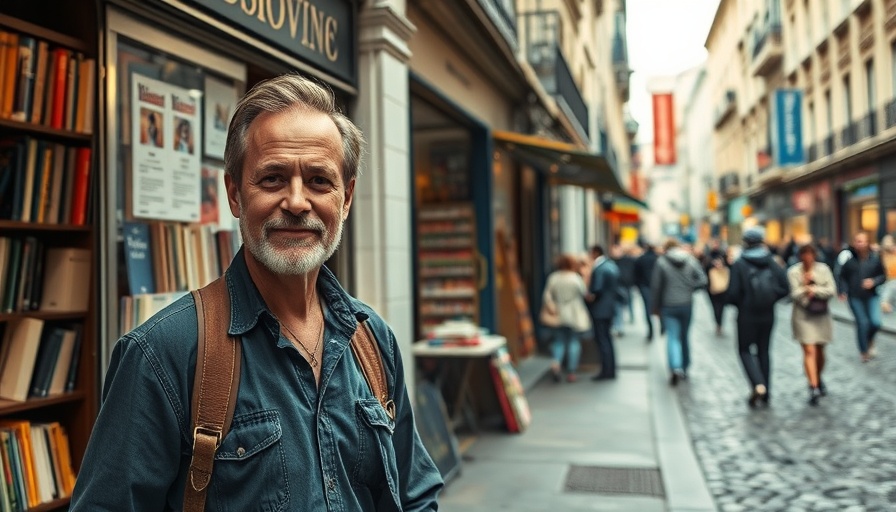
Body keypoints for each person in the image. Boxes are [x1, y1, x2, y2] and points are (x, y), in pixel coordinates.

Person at [70, 74, 443, 510]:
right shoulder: (164, 353)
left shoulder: (372, 340)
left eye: (320, 181)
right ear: (234, 194)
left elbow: (416, 495)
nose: (298, 202)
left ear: (346, 198)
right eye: (272, 179)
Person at [726, 226, 789, 408]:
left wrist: (742, 302)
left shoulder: (739, 263)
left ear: (745, 242)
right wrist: (770, 299)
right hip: (767, 314)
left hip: (746, 314)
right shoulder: (771, 261)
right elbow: (785, 288)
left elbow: (732, 293)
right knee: (764, 351)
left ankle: (758, 384)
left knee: (745, 350)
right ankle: (767, 390)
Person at [650, 239, 707, 386]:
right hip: (686, 304)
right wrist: (689, 288)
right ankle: (685, 366)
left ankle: (675, 367)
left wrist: (654, 307)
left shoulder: (661, 262)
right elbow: (702, 280)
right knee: (684, 336)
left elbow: (656, 287)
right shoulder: (691, 260)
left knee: (673, 337)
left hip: (668, 305)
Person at [787, 244, 836, 406]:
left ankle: (818, 377)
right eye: (804, 254)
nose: (807, 257)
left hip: (821, 315)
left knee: (820, 350)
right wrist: (805, 289)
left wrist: (814, 289)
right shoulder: (794, 272)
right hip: (803, 315)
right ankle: (813, 387)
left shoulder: (823, 269)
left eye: (810, 254)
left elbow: (831, 290)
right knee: (809, 350)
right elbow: (794, 294)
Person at [540, 254, 592, 382]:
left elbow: (547, 295)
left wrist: (552, 306)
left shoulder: (554, 278)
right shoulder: (575, 278)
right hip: (574, 314)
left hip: (558, 313)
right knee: (573, 341)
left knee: (559, 341)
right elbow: (585, 293)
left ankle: (556, 364)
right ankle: (571, 371)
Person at [837, 231, 887, 362]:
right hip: (855, 296)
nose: (860, 244)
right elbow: (842, 277)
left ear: (867, 242)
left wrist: (874, 282)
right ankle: (863, 351)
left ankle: (869, 339)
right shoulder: (849, 261)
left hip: (872, 295)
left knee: (875, 322)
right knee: (862, 322)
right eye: (857, 241)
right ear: (854, 243)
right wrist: (842, 291)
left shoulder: (875, 258)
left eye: (862, 241)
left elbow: (883, 276)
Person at [587, 245, 620, 381]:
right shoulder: (611, 265)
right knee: (607, 339)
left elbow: (597, 289)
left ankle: (606, 371)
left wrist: (589, 296)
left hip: (600, 309)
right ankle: (610, 369)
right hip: (609, 308)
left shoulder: (599, 268)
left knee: (603, 340)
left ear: (595, 253)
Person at [703, 239, 729, 335]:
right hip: (711, 287)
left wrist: (722, 264)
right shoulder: (708, 256)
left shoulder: (723, 255)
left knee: (721, 307)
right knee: (715, 307)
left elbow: (729, 267)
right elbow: (704, 270)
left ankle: (720, 323)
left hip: (722, 288)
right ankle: (718, 323)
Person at [633, 243, 659, 341]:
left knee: (647, 309)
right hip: (655, 286)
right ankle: (662, 326)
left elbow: (636, 274)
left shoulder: (641, 259)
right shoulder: (657, 259)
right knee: (658, 306)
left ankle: (651, 330)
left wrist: (638, 286)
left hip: (645, 286)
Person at [611, 244, 636, 335]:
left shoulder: (627, 260)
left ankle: (630, 317)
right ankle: (619, 326)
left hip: (625, 285)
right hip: (617, 287)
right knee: (618, 307)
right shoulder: (612, 261)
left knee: (627, 303)